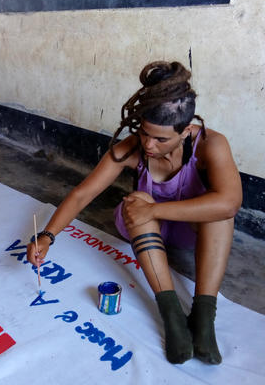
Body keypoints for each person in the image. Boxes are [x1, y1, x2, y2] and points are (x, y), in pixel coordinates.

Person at [27, 61, 242, 365]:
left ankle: (204, 318)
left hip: (187, 228)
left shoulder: (210, 144)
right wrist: (47, 236)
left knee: (219, 211)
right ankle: (172, 316)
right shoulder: (132, 147)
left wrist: (154, 209)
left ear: (185, 131)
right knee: (137, 202)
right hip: (141, 228)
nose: (149, 145)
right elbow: (83, 194)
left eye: (161, 139)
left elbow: (231, 202)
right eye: (144, 133)